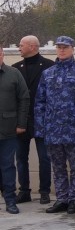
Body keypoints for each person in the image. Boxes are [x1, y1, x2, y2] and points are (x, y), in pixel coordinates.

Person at [34, 36, 75, 215]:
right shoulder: (48, 73)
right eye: (59, 47)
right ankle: (62, 198)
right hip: (53, 129)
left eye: (65, 47)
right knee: (57, 167)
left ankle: (74, 199)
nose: (62, 50)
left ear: (73, 49)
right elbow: (40, 102)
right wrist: (40, 127)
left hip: (73, 129)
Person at [12, 35, 53, 204]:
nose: (18, 48)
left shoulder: (49, 67)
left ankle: (44, 191)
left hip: (42, 119)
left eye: (21, 45)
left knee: (44, 157)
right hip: (22, 120)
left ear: (32, 46)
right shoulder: (15, 68)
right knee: (21, 158)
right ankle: (24, 191)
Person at [0, 48, 28, 214]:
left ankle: (10, 200)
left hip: (8, 129)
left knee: (8, 166)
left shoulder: (14, 73)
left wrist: (21, 124)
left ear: (2, 54)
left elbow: (24, 99)